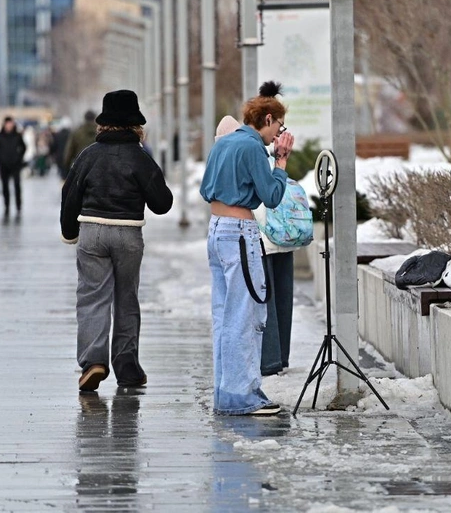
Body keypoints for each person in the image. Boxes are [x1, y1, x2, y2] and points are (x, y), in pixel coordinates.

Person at [60, 90, 173, 392]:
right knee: (126, 298)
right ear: (136, 125)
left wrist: (70, 231)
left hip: (92, 232)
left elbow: (69, 195)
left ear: (103, 123)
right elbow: (163, 203)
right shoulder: (140, 157)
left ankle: (93, 362)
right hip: (128, 233)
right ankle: (127, 367)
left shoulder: (88, 155)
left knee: (92, 297)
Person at [200, 81, 294, 416]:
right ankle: (242, 395)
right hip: (240, 232)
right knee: (247, 315)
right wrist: (280, 162)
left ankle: (226, 391)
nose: (277, 136)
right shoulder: (253, 146)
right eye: (278, 127)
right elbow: (271, 196)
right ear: (267, 119)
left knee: (224, 316)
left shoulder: (225, 144)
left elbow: (205, 188)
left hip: (216, 231)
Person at [215, 114, 298, 378]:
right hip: (273, 236)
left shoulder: (241, 152)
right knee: (270, 300)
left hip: (258, 237)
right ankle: (274, 360)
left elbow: (269, 196)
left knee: (252, 303)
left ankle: (266, 364)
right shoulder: (253, 150)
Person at [0, 116, 26, 218]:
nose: (9, 126)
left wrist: (19, 158)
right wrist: (0, 159)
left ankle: (18, 206)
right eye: (7, 123)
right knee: (5, 187)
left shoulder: (17, 136)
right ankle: (6, 206)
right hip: (4, 165)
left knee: (17, 186)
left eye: (11, 123)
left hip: (15, 165)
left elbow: (24, 147)